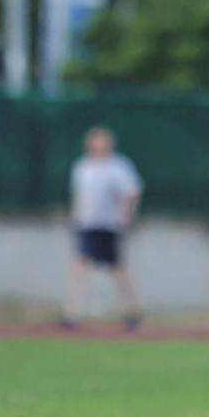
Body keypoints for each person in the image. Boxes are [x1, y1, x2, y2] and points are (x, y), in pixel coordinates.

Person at [59, 125, 144, 331]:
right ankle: (72, 313)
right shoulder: (82, 167)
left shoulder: (118, 167)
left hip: (110, 225)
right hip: (87, 224)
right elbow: (79, 197)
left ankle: (132, 312)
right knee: (79, 266)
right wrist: (75, 218)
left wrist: (127, 216)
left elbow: (132, 192)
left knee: (118, 269)